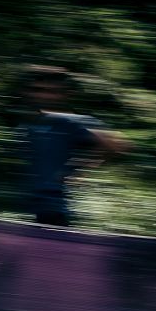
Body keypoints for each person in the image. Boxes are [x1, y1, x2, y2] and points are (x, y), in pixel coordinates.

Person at [21, 65, 128, 227]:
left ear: (65, 94)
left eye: (51, 91)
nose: (43, 95)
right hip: (27, 206)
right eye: (37, 89)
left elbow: (116, 144)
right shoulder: (31, 124)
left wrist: (78, 169)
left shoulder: (70, 121)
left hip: (54, 209)